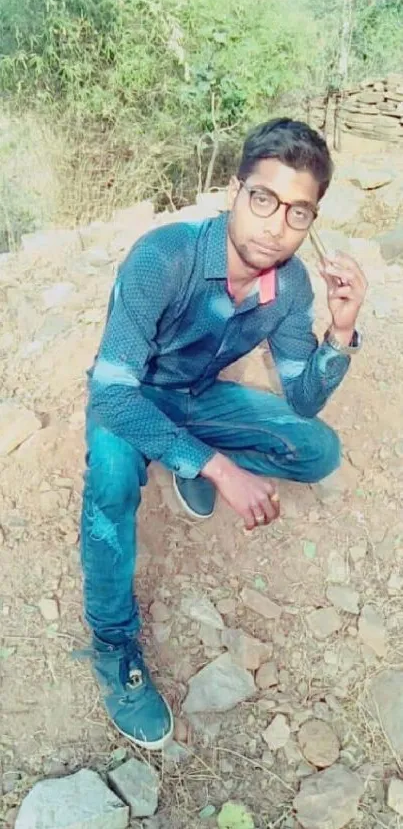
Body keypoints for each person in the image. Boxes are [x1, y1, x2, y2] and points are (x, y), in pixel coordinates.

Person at [80, 117, 367, 750]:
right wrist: (218, 466)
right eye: (264, 199)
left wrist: (340, 333)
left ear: (312, 222)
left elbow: (305, 397)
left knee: (317, 449)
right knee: (110, 476)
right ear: (235, 191)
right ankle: (112, 641)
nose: (276, 224)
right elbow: (109, 391)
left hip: (200, 396)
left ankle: (189, 458)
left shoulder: (288, 286)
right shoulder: (165, 256)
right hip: (135, 396)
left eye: (299, 212)